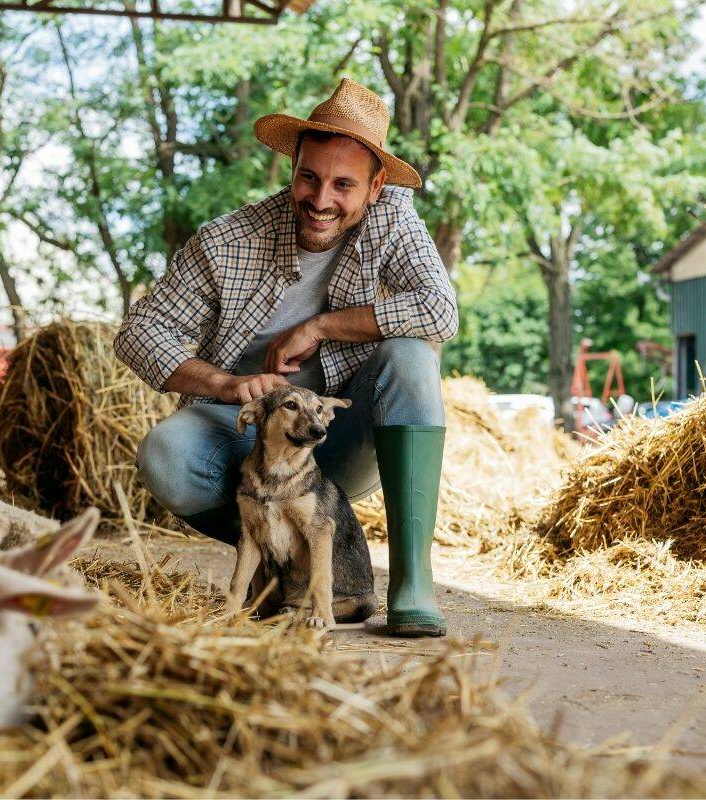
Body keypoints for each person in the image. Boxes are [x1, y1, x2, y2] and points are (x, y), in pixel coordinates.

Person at [113, 78, 457, 637]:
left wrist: (320, 326)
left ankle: (411, 584)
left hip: (338, 436)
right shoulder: (227, 239)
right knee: (164, 454)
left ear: (374, 189)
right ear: (292, 169)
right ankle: (280, 570)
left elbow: (440, 310)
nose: (321, 200)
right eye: (309, 178)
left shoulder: (394, 221)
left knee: (412, 358)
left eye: (344, 185)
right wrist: (225, 383)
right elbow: (139, 332)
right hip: (241, 433)